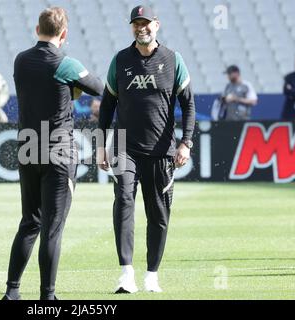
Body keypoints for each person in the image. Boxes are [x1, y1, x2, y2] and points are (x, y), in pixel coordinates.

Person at [3, 7, 103, 300]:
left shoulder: (20, 60)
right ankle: (47, 297)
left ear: (37, 30)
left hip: (28, 149)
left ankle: (11, 292)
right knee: (52, 228)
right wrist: (74, 87)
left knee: (29, 222)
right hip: (58, 152)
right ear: (64, 34)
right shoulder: (65, 63)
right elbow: (98, 87)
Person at [98, 5, 195, 293]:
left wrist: (186, 142)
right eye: (136, 24)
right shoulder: (120, 61)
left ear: (157, 25)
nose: (141, 28)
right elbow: (107, 106)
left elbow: (188, 104)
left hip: (162, 151)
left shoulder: (173, 59)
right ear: (131, 27)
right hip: (125, 148)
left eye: (146, 23)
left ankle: (152, 273)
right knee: (124, 202)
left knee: (158, 214)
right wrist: (102, 146)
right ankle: (126, 273)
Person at [281, 54, 295, 120]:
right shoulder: (289, 77)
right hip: (290, 110)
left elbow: (290, 91)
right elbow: (286, 91)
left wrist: (292, 90)